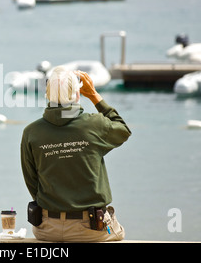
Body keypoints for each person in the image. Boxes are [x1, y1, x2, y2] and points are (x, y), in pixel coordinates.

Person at [20, 66, 131, 242]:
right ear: (78, 95)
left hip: (47, 228)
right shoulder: (95, 124)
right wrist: (94, 95)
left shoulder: (31, 132)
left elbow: (31, 181)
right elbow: (123, 130)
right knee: (119, 234)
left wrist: (57, 205)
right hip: (91, 228)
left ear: (47, 95)